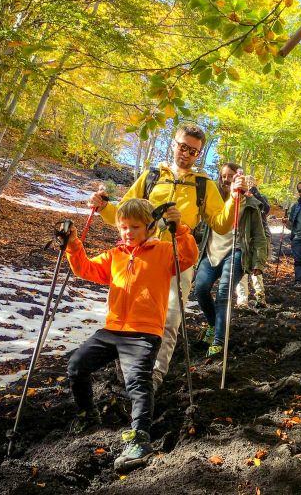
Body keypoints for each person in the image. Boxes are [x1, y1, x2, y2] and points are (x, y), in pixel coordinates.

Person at [89, 124, 246, 391]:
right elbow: (124, 213)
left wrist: (233, 197)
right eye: (183, 146)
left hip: (178, 258)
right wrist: (103, 207)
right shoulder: (151, 176)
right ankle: (126, 371)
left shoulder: (203, 185)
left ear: (199, 155)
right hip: (140, 256)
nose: (186, 154)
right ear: (174, 144)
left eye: (193, 151)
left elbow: (221, 223)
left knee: (171, 317)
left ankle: (153, 378)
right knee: (126, 314)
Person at [65, 198, 197, 472]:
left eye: (134, 227)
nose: (128, 232)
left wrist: (179, 228)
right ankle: (87, 412)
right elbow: (84, 268)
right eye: (123, 227)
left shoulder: (163, 251)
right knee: (77, 365)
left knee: (137, 382)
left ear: (149, 227)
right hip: (112, 329)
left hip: (144, 333)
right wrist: (72, 244)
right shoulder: (115, 255)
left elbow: (188, 257)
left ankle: (140, 438)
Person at [193, 163, 268, 358]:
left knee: (223, 293)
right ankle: (212, 324)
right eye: (223, 176)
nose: (226, 179)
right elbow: (199, 226)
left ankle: (219, 340)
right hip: (210, 252)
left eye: (231, 176)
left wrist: (259, 262)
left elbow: (259, 236)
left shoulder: (251, 204)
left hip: (236, 251)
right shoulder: (212, 199)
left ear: (239, 178)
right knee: (200, 289)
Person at [236, 175, 270, 307]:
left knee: (256, 267)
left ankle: (260, 296)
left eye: (252, 181)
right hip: (243, 237)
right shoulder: (239, 197)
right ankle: (242, 300)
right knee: (242, 267)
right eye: (247, 181)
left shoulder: (260, 197)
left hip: (258, 234)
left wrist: (254, 191)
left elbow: (266, 208)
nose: (249, 183)